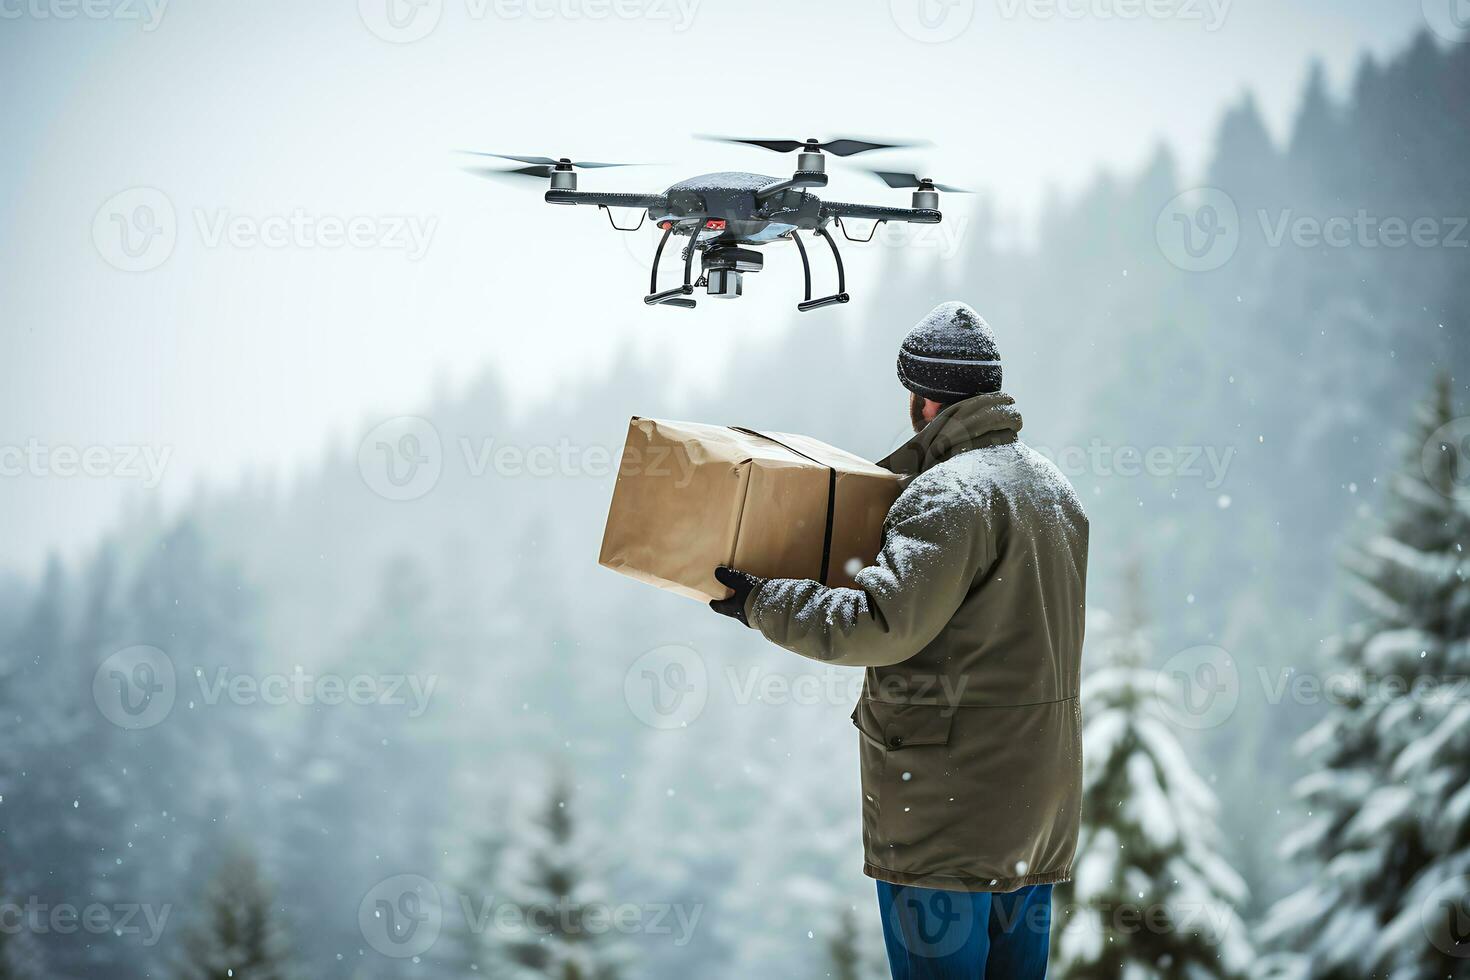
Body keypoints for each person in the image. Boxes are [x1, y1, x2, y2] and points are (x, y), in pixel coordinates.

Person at [709, 301, 1089, 979]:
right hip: (1035, 809)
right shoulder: (1052, 490)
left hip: (947, 813)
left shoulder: (946, 498)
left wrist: (762, 600)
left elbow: (879, 624)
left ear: (922, 402)